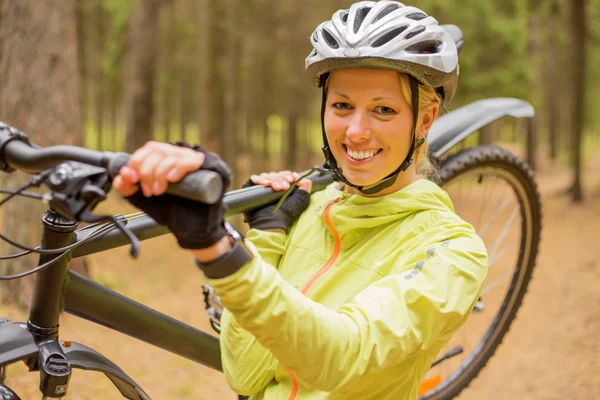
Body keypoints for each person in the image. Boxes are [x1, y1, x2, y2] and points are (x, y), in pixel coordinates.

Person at [113, 1, 488, 399]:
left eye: (383, 109)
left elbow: (343, 353)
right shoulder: (309, 212)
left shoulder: (453, 253)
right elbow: (245, 375)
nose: (356, 132)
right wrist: (266, 239)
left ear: (425, 119)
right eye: (342, 105)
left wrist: (220, 250)